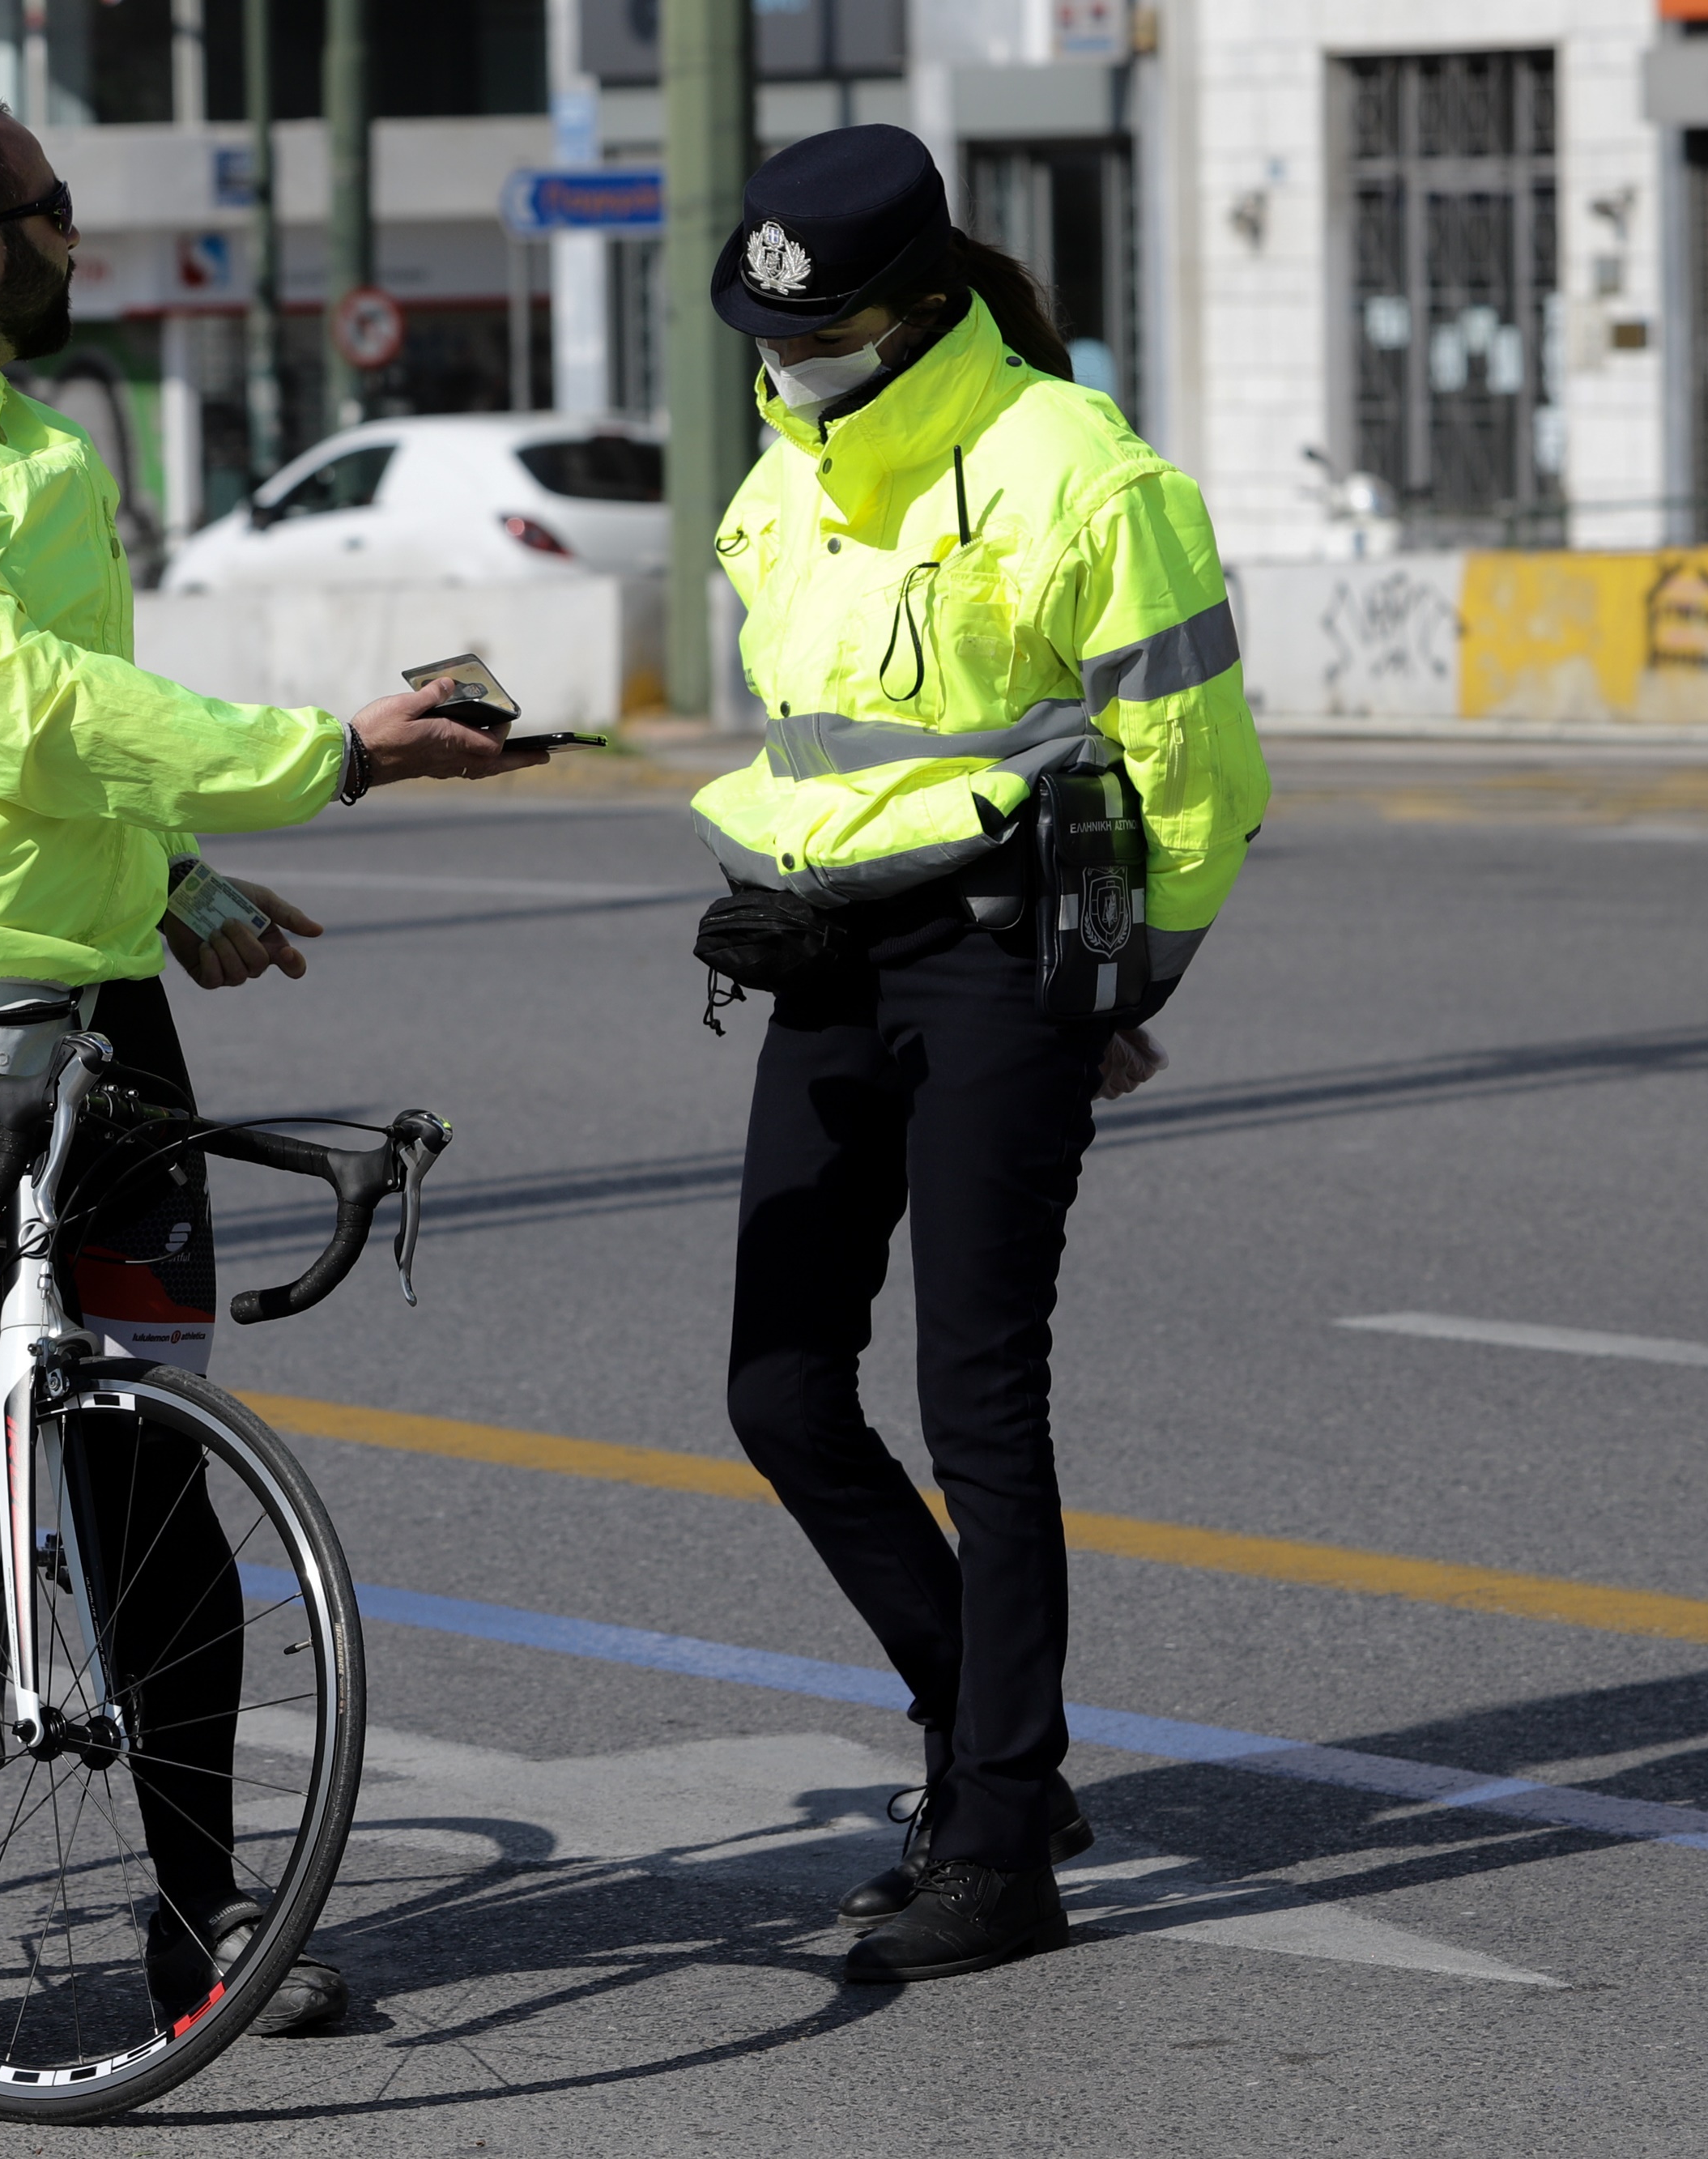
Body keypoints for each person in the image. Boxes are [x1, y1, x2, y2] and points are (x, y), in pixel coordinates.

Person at [0, 90, 541, 2091]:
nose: (82, 251)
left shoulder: (35, 443)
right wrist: (337, 751)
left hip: (83, 994)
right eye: (59, 218)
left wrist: (175, 876)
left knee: (154, 1470)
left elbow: (53, 763)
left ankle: (200, 1913)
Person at [690, 126, 1271, 1985]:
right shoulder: (784, 469)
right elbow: (820, 741)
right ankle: (989, 1744)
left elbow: (1204, 772)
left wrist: (1107, 991)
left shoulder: (1074, 469)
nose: (787, 363)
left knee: (977, 1404)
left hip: (999, 957)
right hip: (828, 960)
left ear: (916, 305)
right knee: (777, 1390)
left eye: (821, 332)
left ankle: (1001, 1839)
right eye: (766, 334)